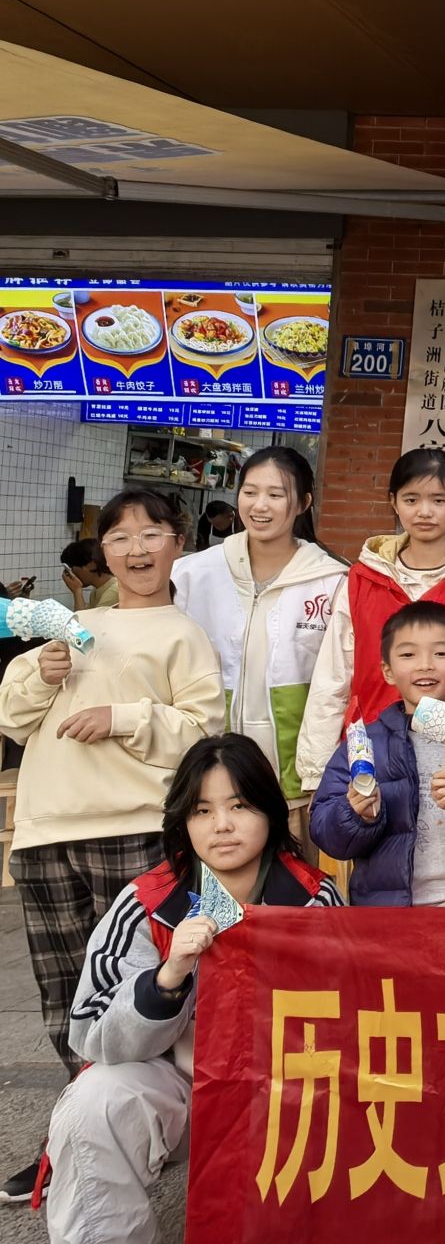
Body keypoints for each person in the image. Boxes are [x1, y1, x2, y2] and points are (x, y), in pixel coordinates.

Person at [0, 490, 223, 1201]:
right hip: (45, 829)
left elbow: (204, 731)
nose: (136, 549)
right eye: (121, 537)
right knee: (63, 996)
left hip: (134, 828)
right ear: (105, 553)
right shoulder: (72, 626)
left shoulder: (184, 633)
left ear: (177, 543)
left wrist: (123, 716)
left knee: (133, 989)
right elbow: (11, 717)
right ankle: (71, 1139)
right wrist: (42, 672)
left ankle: (134, 1127)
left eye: (152, 533)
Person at [42, 735, 339, 1244]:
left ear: (270, 812)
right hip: (180, 1089)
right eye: (202, 810)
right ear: (183, 822)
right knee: (94, 1102)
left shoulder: (314, 900)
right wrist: (167, 978)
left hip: (286, 1089)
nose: (221, 825)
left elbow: (348, 1017)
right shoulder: (148, 902)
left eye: (239, 805)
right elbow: (90, 1032)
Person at [296, 449, 445, 801]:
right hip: (368, 753)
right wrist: (317, 771)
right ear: (393, 501)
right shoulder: (362, 579)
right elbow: (333, 676)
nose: (424, 511)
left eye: (439, 500)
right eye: (411, 499)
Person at [171, 447, 345, 813]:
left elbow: (340, 684)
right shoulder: (192, 574)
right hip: (207, 777)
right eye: (250, 492)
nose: (260, 505)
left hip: (295, 782)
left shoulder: (333, 582)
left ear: (303, 503)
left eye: (276, 494)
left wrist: (320, 775)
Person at [308, 602, 445, 907]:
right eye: (408, 655)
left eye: (441, 653)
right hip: (388, 913)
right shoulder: (367, 743)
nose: (425, 665)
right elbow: (327, 835)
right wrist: (357, 814)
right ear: (388, 671)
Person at [59, 541, 116, 611]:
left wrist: (77, 591)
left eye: (71, 569)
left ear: (91, 565)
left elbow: (81, 618)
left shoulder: (114, 591)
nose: (71, 574)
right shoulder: (96, 590)